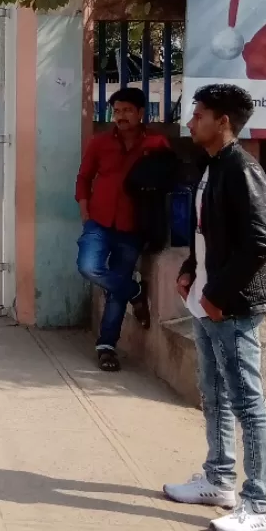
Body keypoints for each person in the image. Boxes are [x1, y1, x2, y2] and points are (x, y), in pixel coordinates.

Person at [164, 84, 266, 531]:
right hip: (208, 300)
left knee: (248, 403)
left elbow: (260, 241)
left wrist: (220, 294)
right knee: (214, 393)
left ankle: (260, 506)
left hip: (231, 306)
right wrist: (192, 270)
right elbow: (208, 233)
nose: (191, 122)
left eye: (199, 114)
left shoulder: (243, 170)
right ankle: (218, 479)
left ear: (223, 121)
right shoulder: (212, 167)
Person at [75, 87, 172, 372]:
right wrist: (84, 210)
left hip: (133, 226)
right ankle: (135, 292)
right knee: (88, 267)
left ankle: (107, 347)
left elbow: (168, 179)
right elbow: (83, 178)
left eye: (127, 110)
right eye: (116, 111)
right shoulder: (99, 142)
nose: (121, 116)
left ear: (141, 113)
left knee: (114, 291)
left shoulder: (156, 143)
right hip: (99, 221)